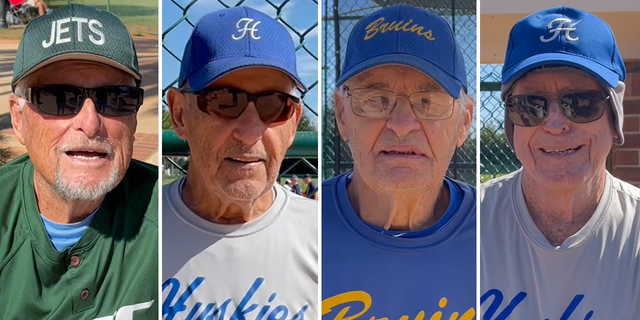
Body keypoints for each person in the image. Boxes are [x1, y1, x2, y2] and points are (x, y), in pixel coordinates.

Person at [481, 7, 640, 318]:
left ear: (614, 120)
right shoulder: (470, 225)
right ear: (512, 126)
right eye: (530, 105)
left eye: (581, 103)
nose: (555, 124)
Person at [0, 5, 158, 319]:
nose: (90, 122)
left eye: (116, 98)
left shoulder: (168, 212)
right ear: (18, 119)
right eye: (58, 97)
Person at [162, 6, 318, 320]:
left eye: (275, 105)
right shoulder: (141, 231)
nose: (250, 133)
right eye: (224, 100)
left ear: (294, 122)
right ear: (179, 113)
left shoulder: (322, 237)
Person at [322, 5, 476, 319]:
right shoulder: (302, 231)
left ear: (464, 122)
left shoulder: (498, 235)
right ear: (341, 114)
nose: (402, 123)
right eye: (375, 100)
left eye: (428, 101)